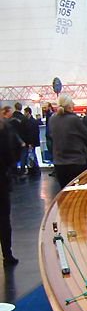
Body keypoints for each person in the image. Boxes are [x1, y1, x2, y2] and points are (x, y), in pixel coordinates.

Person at [49, 94, 87, 188]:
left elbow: (51, 135)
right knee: (80, 191)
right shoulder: (74, 119)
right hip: (76, 161)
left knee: (65, 191)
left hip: (59, 162)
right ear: (69, 106)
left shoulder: (52, 119)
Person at [0, 108, 22, 266]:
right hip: (1, 179)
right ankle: (7, 254)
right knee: (3, 218)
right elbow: (10, 154)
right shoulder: (4, 128)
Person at [23, 107, 41, 176]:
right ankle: (34, 170)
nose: (24, 114)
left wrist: (31, 143)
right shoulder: (33, 121)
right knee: (32, 156)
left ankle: (35, 170)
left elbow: (32, 133)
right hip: (32, 142)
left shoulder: (30, 122)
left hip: (31, 142)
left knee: (32, 156)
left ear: (27, 112)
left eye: (25, 112)